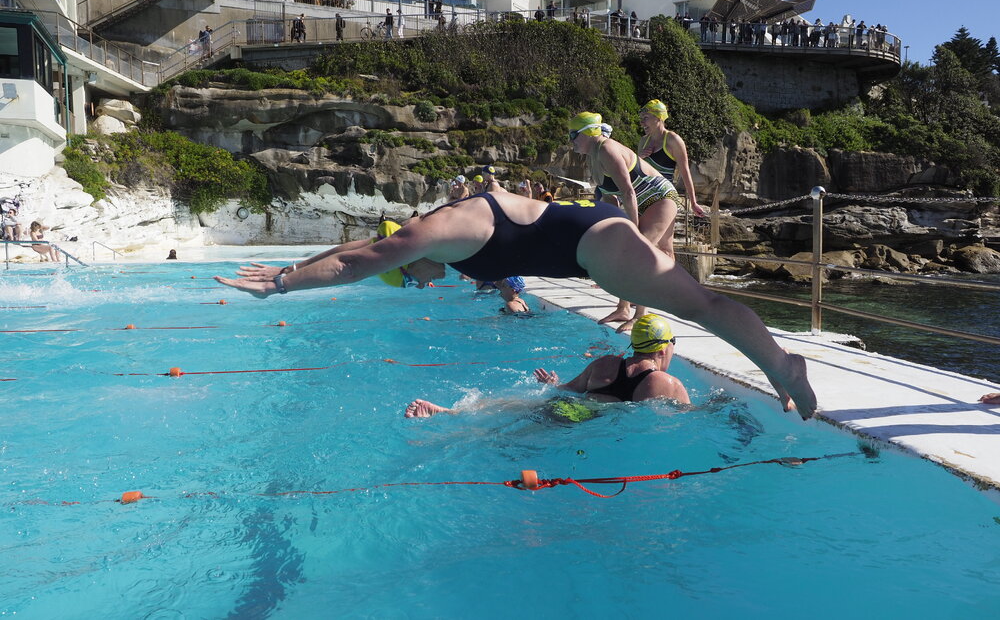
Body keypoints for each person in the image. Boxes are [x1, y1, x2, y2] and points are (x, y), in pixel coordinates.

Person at [214, 184, 817, 420]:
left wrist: (281, 288)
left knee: (701, 306)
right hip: (589, 243)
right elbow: (366, 245)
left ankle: (781, 364)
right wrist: (292, 265)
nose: (423, 284)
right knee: (696, 304)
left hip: (597, 244)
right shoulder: (422, 237)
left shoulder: (436, 232)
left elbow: (357, 262)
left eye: (411, 279)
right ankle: (777, 362)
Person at [404, 313, 689, 418]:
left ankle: (452, 412)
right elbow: (693, 415)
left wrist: (553, 385)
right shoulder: (667, 384)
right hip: (583, 422)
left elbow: (567, 389)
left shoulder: (605, 364)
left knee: (518, 407)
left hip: (565, 406)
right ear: (664, 348)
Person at [572, 110, 687, 333]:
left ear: (586, 133)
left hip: (660, 197)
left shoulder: (607, 149)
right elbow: (608, 196)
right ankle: (624, 308)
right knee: (657, 251)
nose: (572, 141)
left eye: (573, 135)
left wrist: (631, 230)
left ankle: (640, 315)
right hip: (643, 201)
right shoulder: (593, 157)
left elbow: (628, 193)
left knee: (638, 254)